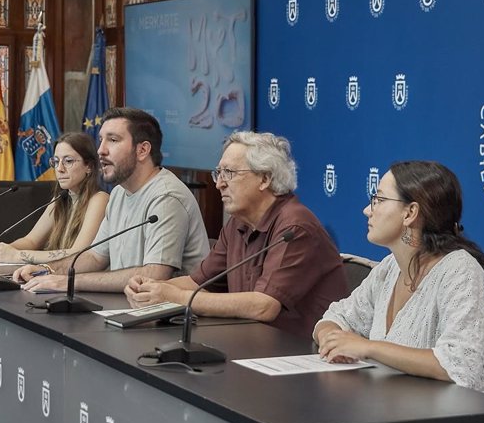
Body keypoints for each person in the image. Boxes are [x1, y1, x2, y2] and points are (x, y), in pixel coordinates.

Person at [125, 131, 347, 337]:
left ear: (265, 179)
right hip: (251, 344)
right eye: (218, 173)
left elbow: (264, 306)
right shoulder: (237, 224)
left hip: (301, 355)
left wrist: (175, 297)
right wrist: (149, 288)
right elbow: (196, 283)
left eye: (229, 173)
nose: (219, 184)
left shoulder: (295, 227)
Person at [313, 161, 484, 393]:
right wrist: (331, 340)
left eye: (379, 200)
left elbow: (461, 367)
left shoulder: (460, 271)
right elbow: (338, 316)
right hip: (390, 408)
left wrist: (368, 348)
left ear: (410, 213)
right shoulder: (390, 267)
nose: (367, 210)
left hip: (450, 422)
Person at [13, 107, 210, 293]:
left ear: (142, 150)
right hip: (127, 307)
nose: (100, 150)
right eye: (101, 140)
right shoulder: (118, 194)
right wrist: (47, 270)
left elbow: (155, 275)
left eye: (113, 140)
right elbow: (94, 257)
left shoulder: (166, 197)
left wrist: (69, 282)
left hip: (168, 320)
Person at [0, 132, 109, 264]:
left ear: (88, 166)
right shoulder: (61, 197)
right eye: (55, 161)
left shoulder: (99, 199)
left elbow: (77, 254)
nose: (59, 169)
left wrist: (17, 255)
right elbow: (31, 241)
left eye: (68, 161)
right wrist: (3, 249)